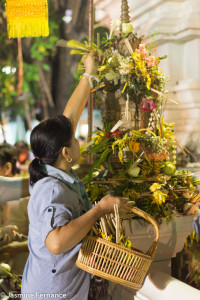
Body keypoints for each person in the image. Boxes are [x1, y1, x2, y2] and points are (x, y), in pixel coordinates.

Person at [21, 54, 127, 300]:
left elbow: (69, 116)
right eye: (75, 139)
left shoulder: (51, 166)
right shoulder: (52, 189)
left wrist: (89, 74)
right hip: (52, 291)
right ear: (66, 153)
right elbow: (56, 243)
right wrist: (99, 209)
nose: (80, 141)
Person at [0, 143, 29, 274]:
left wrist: (16, 247)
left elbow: (45, 240)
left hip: (22, 274)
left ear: (7, 167)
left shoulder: (25, 198)